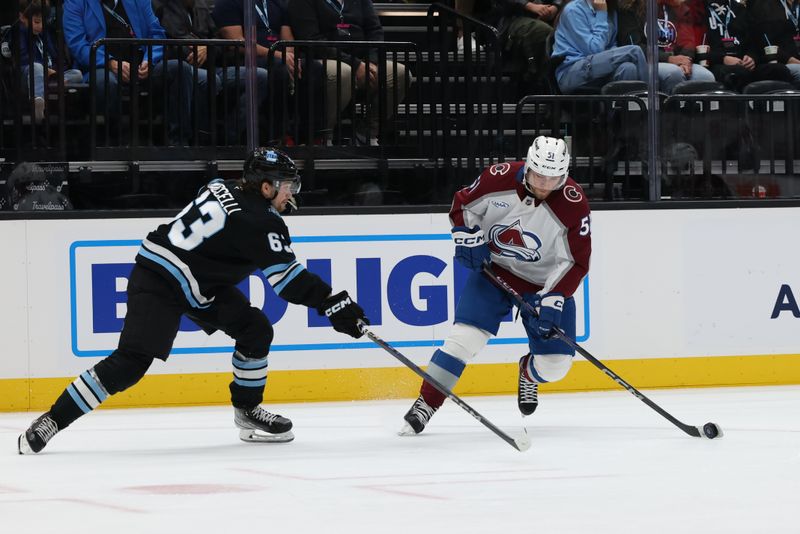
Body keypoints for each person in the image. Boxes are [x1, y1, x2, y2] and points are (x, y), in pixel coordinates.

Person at [18, 147, 369, 454]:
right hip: (161, 282)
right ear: (266, 186)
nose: (291, 193)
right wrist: (334, 304)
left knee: (255, 329)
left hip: (196, 282)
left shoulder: (222, 187)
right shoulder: (261, 221)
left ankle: (247, 410)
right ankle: (52, 419)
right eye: (286, 185)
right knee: (130, 363)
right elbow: (289, 282)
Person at [401, 136, 592, 434]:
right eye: (539, 175)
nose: (544, 184)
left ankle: (527, 373)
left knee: (555, 367)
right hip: (494, 273)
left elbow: (575, 262)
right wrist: (467, 236)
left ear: (564, 174)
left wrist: (554, 298)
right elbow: (462, 205)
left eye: (553, 178)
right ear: (528, 167)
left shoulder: (573, 203)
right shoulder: (497, 177)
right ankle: (427, 402)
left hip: (543, 284)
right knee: (462, 340)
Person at [62, 0, 195, 145]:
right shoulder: (75, 2)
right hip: (101, 66)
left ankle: (178, 143)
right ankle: (115, 143)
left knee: (180, 69)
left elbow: (157, 34)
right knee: (106, 82)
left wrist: (149, 60)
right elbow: (77, 45)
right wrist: (110, 62)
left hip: (140, 66)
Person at [288, 0, 408, 145]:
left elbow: (375, 31)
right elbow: (311, 40)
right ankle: (323, 137)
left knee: (399, 73)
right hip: (322, 58)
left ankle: (367, 133)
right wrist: (355, 64)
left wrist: (371, 61)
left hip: (362, 60)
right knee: (342, 72)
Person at [152, 0, 269, 143]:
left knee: (260, 76)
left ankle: (230, 136)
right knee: (208, 78)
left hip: (212, 66)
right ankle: (202, 139)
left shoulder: (201, 7)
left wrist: (208, 48)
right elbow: (178, 45)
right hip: (183, 66)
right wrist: (204, 47)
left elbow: (220, 40)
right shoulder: (164, 6)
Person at [213, 0, 325, 144]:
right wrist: (277, 55)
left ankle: (312, 136)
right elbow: (239, 43)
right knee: (280, 70)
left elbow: (287, 39)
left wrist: (289, 56)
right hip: (247, 60)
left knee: (313, 67)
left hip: (279, 57)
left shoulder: (277, 3)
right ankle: (279, 136)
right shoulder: (228, 3)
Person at [617, 0, 716, 94]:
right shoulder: (630, 7)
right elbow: (634, 47)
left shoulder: (679, 7)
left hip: (677, 61)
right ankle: (669, 111)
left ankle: (692, 111)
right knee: (673, 73)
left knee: (706, 76)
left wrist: (685, 61)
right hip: (647, 61)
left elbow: (688, 41)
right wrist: (668, 59)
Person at [553, 0, 648, 94]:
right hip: (572, 72)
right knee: (634, 51)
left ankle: (620, 108)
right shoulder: (574, 10)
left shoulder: (610, 11)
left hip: (599, 68)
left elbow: (612, 44)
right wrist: (601, 14)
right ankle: (648, 102)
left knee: (628, 68)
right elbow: (593, 50)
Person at [14, 0, 83, 122]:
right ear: (22, 18)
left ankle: (59, 83)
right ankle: (38, 101)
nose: (40, 26)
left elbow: (56, 56)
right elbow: (24, 59)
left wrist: (59, 72)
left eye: (43, 22)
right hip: (30, 74)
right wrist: (48, 71)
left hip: (51, 75)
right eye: (36, 22)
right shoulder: (19, 32)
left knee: (77, 74)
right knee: (36, 67)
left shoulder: (45, 34)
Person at [702, 0, 793, 92]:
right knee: (737, 73)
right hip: (716, 63)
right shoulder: (700, 8)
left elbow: (754, 42)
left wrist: (752, 57)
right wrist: (722, 58)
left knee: (779, 70)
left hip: (744, 62)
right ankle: (739, 106)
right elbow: (697, 47)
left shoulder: (739, 9)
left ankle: (764, 106)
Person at [473, 0, 562, 91]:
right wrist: (529, 5)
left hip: (547, 16)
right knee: (540, 31)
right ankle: (539, 87)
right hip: (508, 18)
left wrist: (555, 7)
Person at [747, 0, 800, 88]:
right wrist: (792, 60)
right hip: (776, 61)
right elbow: (764, 42)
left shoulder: (795, 5)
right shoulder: (763, 5)